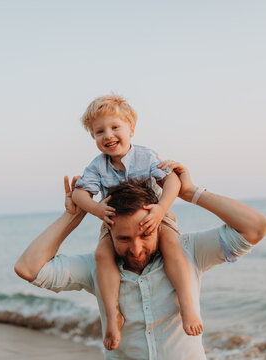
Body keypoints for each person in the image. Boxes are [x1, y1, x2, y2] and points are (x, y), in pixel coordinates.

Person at [14, 161, 266, 360]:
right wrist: (72, 217)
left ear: (158, 225)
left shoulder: (189, 251)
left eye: (145, 234)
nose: (136, 249)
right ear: (108, 232)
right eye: (124, 239)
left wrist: (191, 192)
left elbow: (256, 227)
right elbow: (28, 268)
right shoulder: (98, 266)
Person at [72, 95, 201, 351]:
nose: (108, 135)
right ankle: (113, 315)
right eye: (100, 131)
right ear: (94, 137)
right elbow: (78, 194)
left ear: (131, 129)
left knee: (172, 245)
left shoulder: (146, 156)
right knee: (102, 255)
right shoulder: (97, 166)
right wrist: (97, 209)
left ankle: (187, 306)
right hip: (114, 221)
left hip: (154, 215)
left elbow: (172, 181)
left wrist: (161, 208)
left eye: (115, 127)